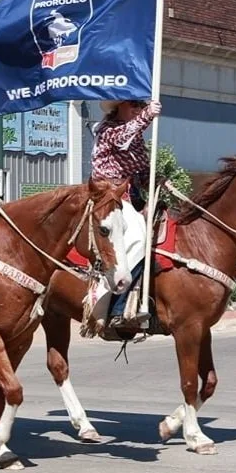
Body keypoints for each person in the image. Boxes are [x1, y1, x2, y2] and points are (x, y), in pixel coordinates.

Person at [90, 98, 161, 323]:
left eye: (141, 105)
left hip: (130, 194)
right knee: (139, 236)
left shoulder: (136, 135)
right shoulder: (108, 129)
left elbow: (141, 167)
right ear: (118, 107)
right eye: (134, 105)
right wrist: (148, 115)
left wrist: (157, 182)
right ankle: (117, 307)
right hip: (107, 194)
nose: (138, 109)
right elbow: (122, 138)